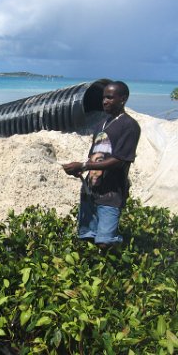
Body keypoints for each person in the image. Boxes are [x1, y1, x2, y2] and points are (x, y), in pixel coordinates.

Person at [63, 81, 141, 248]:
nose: (105, 101)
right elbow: (94, 157)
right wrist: (80, 171)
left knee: (105, 242)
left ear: (123, 99)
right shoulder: (100, 126)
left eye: (110, 97)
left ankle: (122, 260)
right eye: (104, 97)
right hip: (91, 190)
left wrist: (84, 166)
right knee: (88, 236)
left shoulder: (129, 126)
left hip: (111, 193)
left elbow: (120, 161)